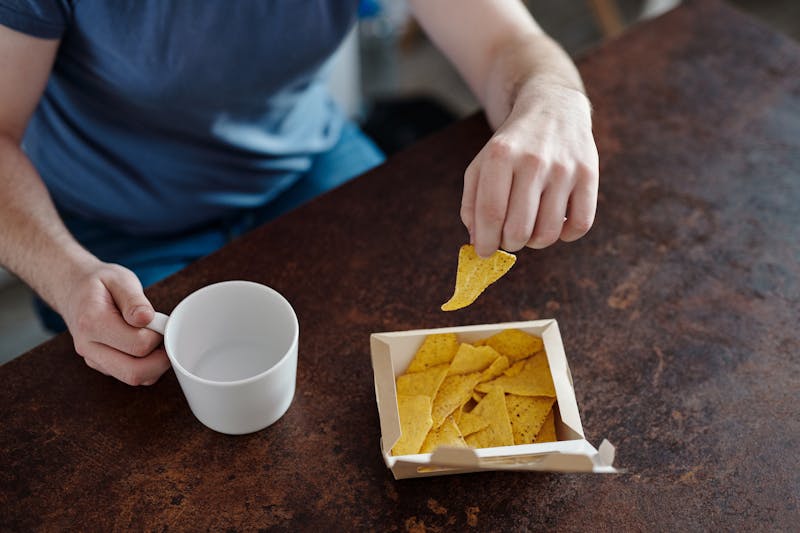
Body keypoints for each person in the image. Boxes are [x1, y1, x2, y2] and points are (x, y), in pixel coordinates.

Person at [0, 0, 598, 386]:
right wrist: (66, 275)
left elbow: (504, 44)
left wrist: (554, 101)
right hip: (112, 227)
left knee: (420, 355)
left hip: (306, 162)